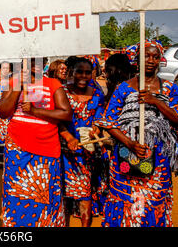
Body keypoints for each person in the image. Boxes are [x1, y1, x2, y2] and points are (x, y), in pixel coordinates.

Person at [96, 40, 178, 227]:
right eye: (146, 56)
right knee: (125, 199)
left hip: (158, 158)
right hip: (126, 154)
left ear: (160, 60)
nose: (150, 60)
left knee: (154, 199)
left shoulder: (170, 89)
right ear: (137, 59)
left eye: (155, 56)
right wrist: (130, 143)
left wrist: (156, 102)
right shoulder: (124, 88)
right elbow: (109, 122)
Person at [0, 57, 73, 227]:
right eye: (31, 62)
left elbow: (66, 114)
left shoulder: (53, 84)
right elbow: (3, 112)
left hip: (46, 149)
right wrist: (19, 86)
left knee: (45, 195)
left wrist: (35, 111)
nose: (36, 65)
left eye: (40, 61)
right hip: (17, 149)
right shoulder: (14, 81)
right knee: (17, 194)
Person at [58, 57, 107, 227]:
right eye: (79, 71)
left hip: (86, 154)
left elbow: (99, 120)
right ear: (71, 72)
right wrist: (69, 137)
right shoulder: (61, 92)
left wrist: (95, 131)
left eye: (87, 72)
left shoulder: (97, 95)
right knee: (63, 198)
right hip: (63, 153)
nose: (83, 76)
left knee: (84, 197)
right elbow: (58, 122)